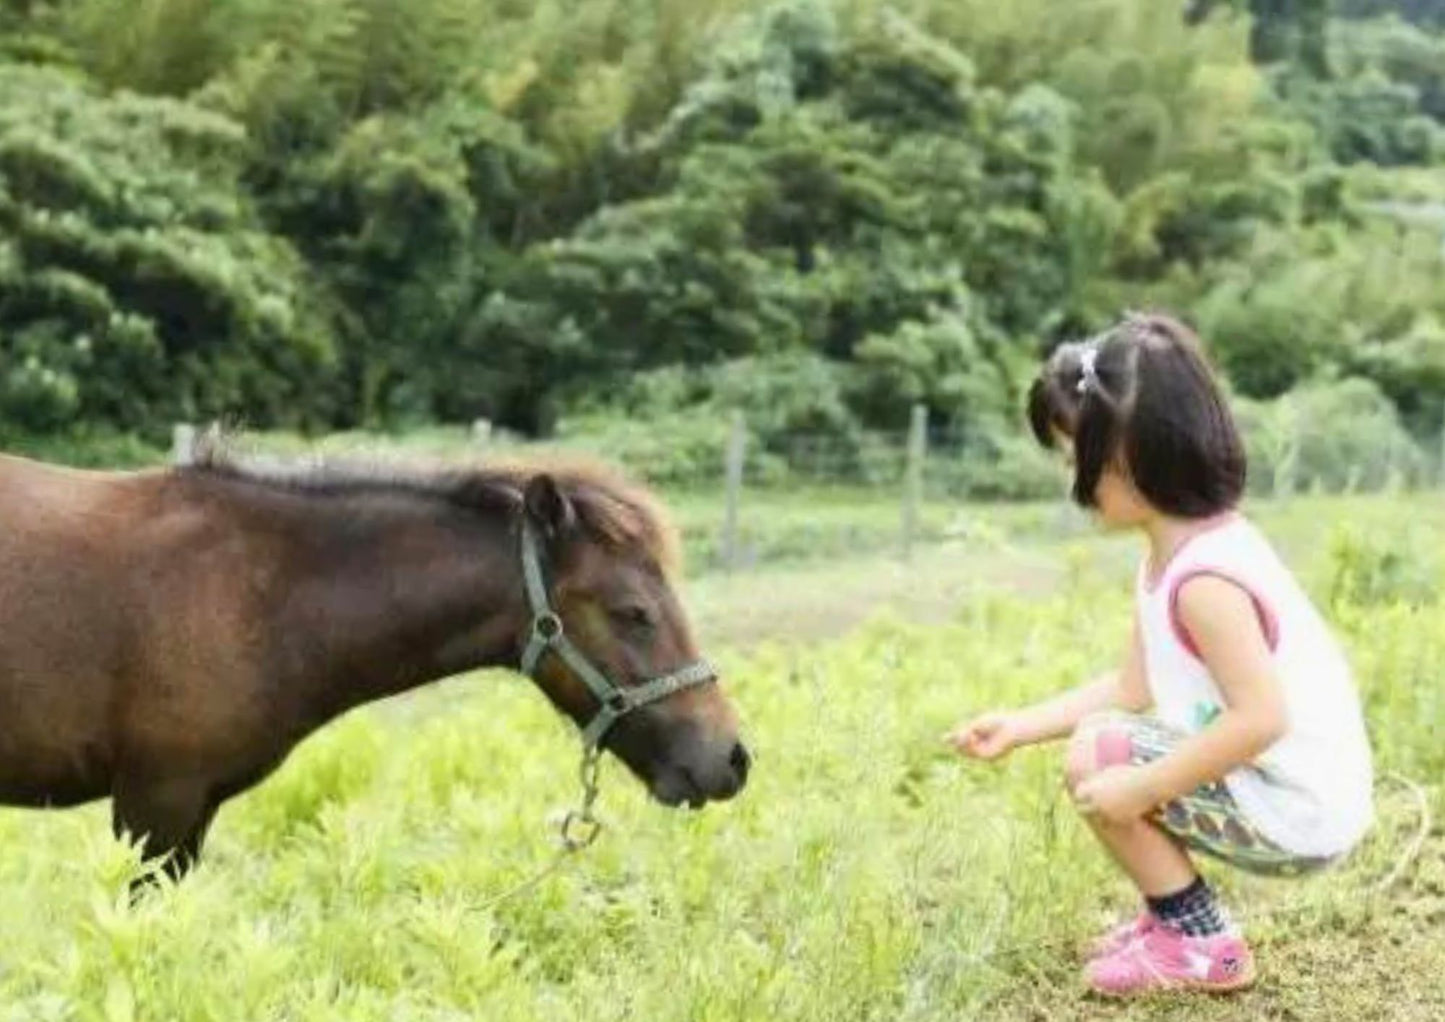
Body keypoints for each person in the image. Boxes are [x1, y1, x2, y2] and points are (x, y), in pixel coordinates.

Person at [947, 312, 1373, 997]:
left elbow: (1260, 717)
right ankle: (1173, 918)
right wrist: (1019, 724)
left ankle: (1202, 944)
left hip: (1301, 812)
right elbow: (1129, 685)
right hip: (1283, 791)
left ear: (1130, 459)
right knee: (1104, 744)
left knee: (1103, 756)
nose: (1070, 481)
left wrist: (1144, 788)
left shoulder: (1204, 581)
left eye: (1072, 459)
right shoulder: (1176, 552)